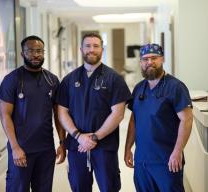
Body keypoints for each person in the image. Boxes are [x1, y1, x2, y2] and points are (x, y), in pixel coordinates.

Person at [57, 32, 131, 192]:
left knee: (109, 187)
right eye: (88, 46)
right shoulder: (69, 80)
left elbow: (118, 113)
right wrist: (78, 136)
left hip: (105, 146)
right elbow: (62, 112)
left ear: (102, 49)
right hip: (77, 146)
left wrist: (95, 137)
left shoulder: (114, 79)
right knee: (79, 187)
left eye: (96, 46)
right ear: (81, 49)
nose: (92, 49)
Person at [0, 35, 66, 192]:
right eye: (31, 51)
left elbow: (59, 115)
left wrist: (62, 142)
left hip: (46, 149)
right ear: (22, 54)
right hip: (21, 148)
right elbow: (5, 115)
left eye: (39, 51)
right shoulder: (12, 80)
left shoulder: (52, 80)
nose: (36, 55)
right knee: (17, 188)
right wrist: (15, 147)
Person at [124, 43, 193, 192]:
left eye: (154, 58)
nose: (149, 62)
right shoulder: (138, 88)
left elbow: (186, 119)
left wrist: (177, 151)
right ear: (141, 62)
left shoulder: (175, 87)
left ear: (162, 59)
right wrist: (128, 147)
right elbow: (134, 119)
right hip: (142, 160)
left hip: (167, 160)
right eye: (145, 59)